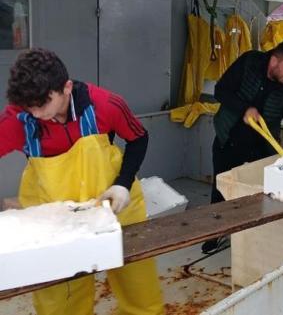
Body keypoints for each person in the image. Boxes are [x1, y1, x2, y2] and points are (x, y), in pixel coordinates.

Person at [0, 48, 164, 315]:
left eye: (43, 104)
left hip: (115, 209)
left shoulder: (106, 104)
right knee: (60, 302)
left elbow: (138, 138)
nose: (37, 113)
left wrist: (123, 183)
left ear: (65, 87)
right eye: (30, 107)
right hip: (54, 223)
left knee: (140, 293)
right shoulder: (19, 119)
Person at [203, 40, 283, 253]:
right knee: (222, 187)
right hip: (229, 138)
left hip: (263, 146)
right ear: (274, 60)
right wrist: (245, 109)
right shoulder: (249, 62)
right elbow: (221, 90)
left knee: (264, 191)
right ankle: (216, 232)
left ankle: (259, 235)